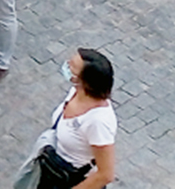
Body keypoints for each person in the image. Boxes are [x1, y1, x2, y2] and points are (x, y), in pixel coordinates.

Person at [22, 48, 117, 189]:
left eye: (72, 66)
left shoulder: (98, 122)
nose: (67, 66)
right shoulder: (76, 91)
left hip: (73, 180)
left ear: (85, 80)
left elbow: (106, 174)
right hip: (54, 169)